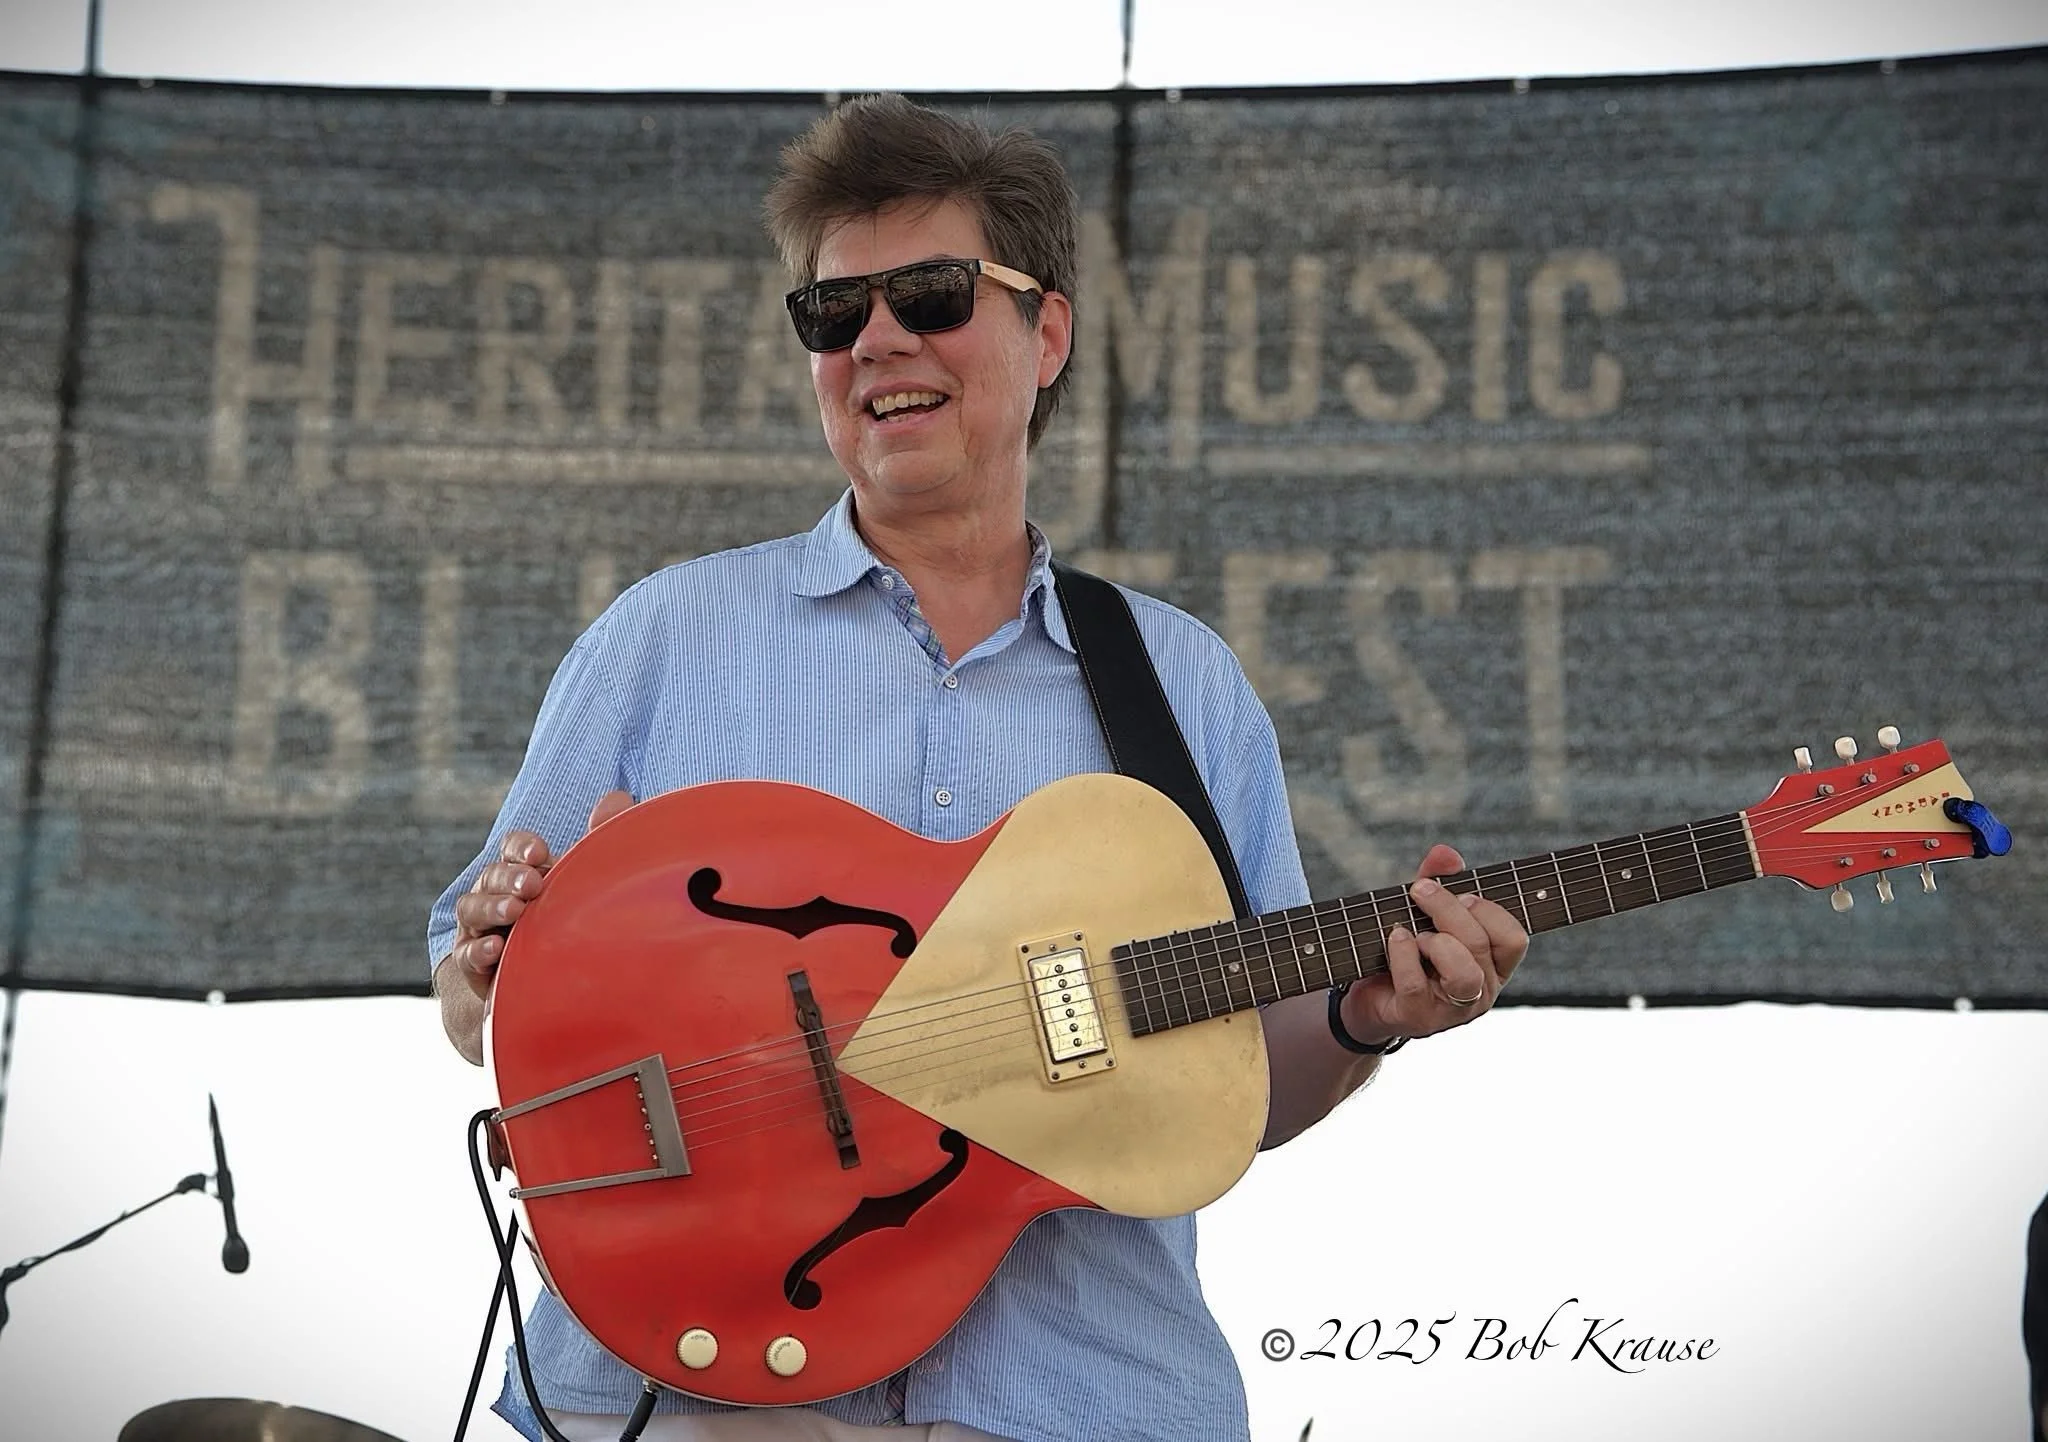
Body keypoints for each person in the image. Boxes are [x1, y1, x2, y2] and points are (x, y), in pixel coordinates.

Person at [429, 94, 1527, 1442]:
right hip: (698, 1389)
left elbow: (1234, 1087)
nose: (879, 339)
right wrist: (492, 962)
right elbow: (481, 1001)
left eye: (934, 295)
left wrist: (1365, 1019)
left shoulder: (1181, 684)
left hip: (1079, 1400)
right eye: (835, 314)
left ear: (1045, 329)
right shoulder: (670, 631)